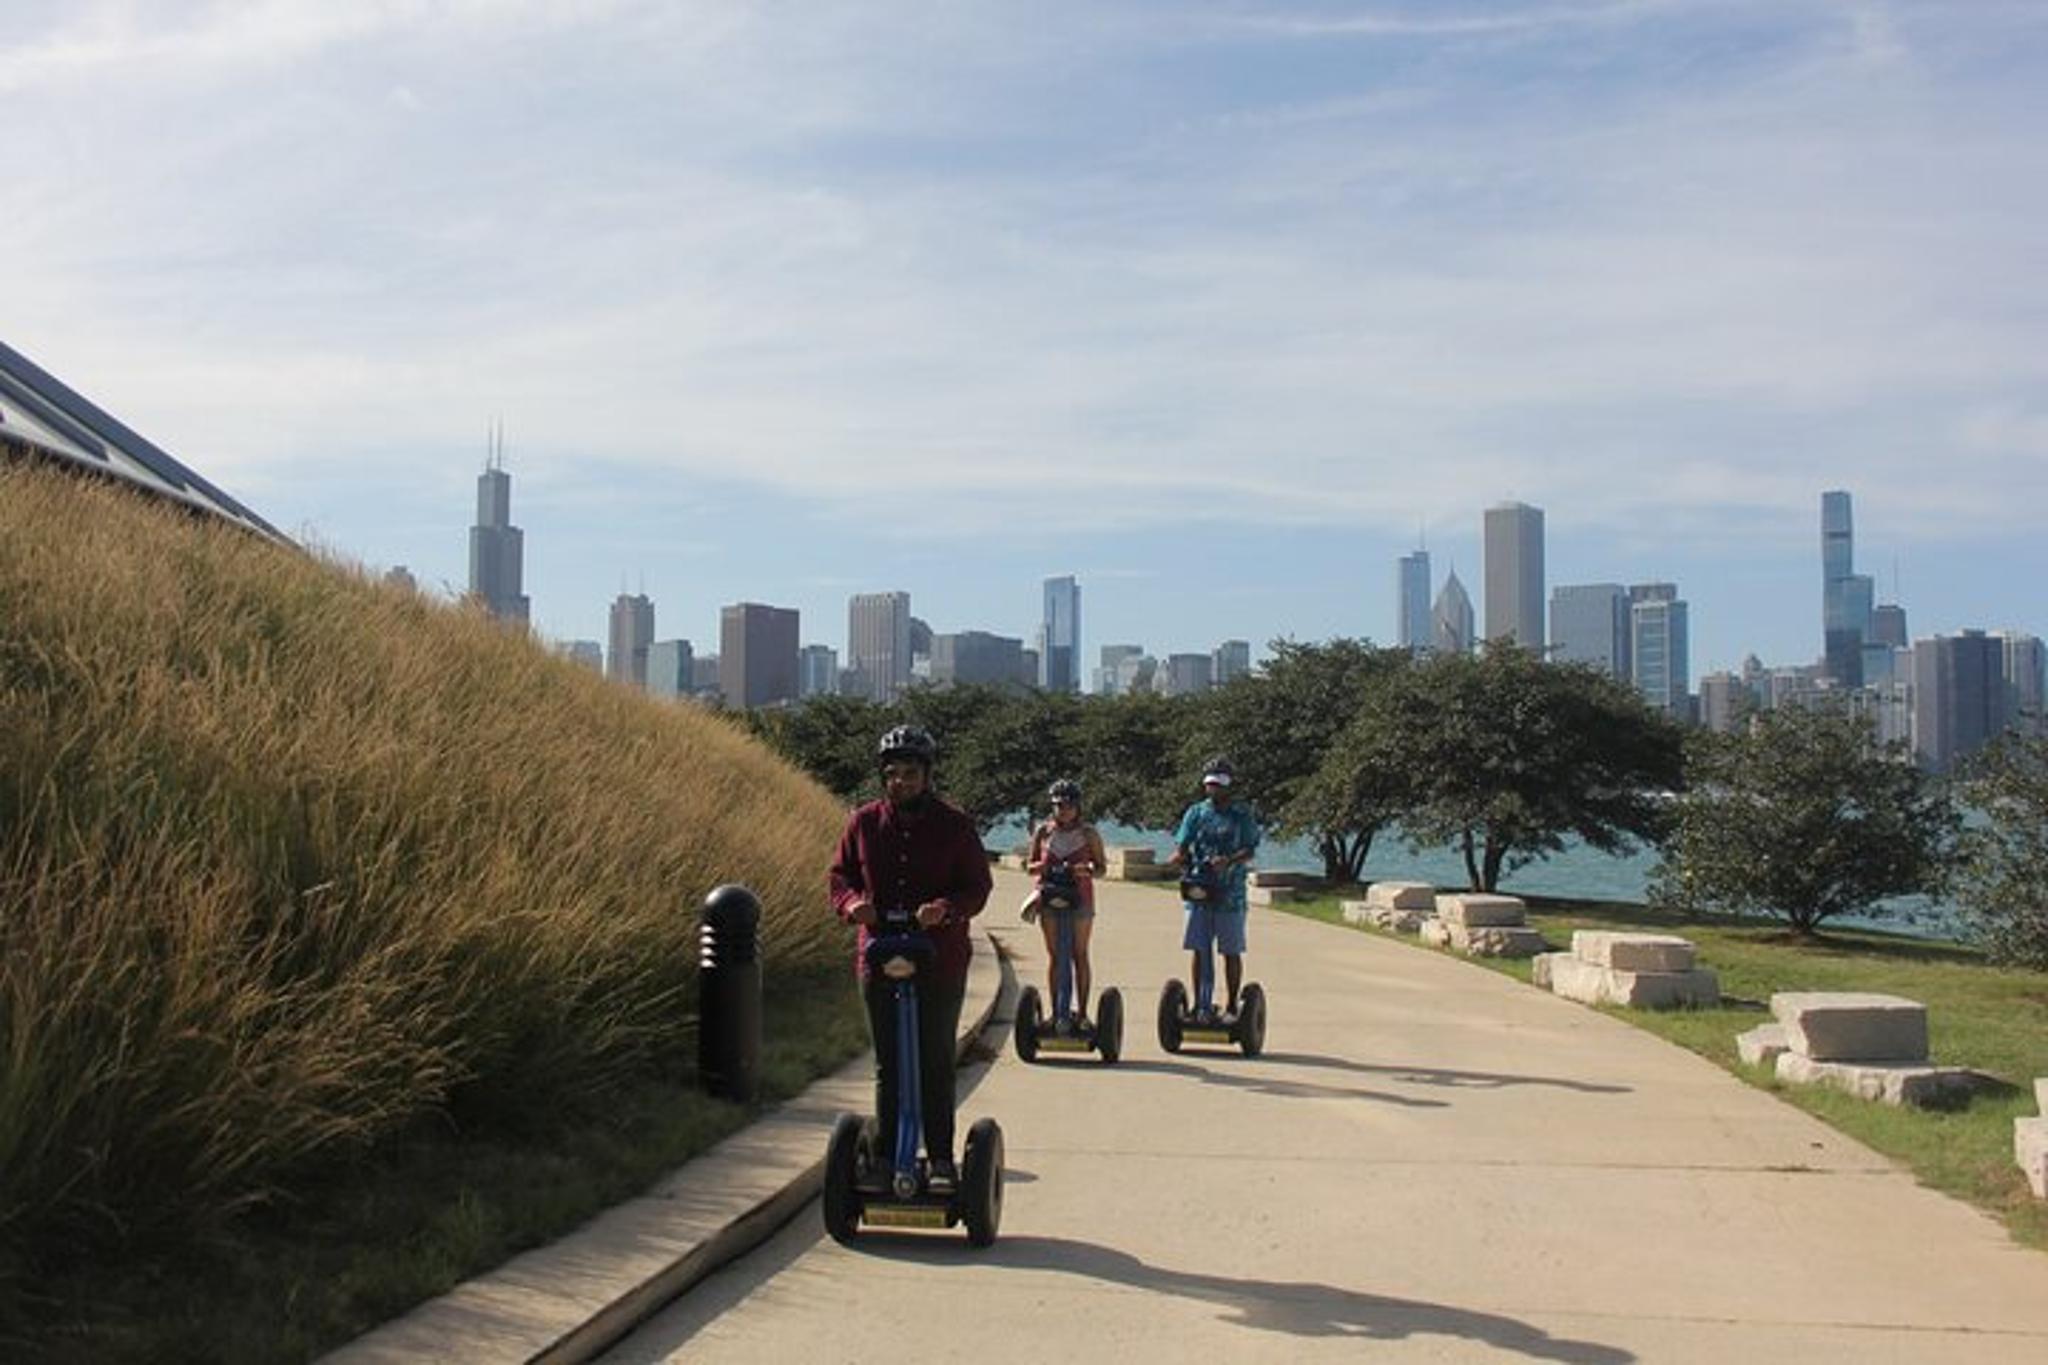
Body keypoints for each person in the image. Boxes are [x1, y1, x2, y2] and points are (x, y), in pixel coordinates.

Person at [828, 724, 993, 1186]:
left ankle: (940, 1159)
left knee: (935, 1060)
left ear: (927, 775)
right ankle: (883, 1159)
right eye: (893, 773)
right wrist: (851, 905)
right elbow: (839, 878)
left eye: (911, 773)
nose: (901, 781)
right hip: (878, 956)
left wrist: (946, 909)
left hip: (938, 959)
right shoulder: (862, 823)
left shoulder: (955, 825)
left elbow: (977, 887)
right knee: (889, 1065)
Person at [1165, 757, 1260, 1023]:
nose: (1214, 790)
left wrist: (1228, 860)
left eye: (1219, 785)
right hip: (1199, 887)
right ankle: (1200, 1005)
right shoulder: (1196, 812)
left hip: (1230, 893)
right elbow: (1183, 845)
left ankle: (1231, 1005)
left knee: (1230, 950)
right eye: (1210, 785)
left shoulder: (1241, 814)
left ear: (1228, 785)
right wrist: (1178, 857)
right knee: (1199, 947)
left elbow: (1250, 849)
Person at [1025, 778, 1107, 1032]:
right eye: (1059, 805)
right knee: (1055, 956)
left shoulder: (1088, 833)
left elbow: (1102, 868)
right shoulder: (1043, 832)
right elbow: (1029, 866)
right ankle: (1055, 1013)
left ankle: (1082, 1015)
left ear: (1078, 806)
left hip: (1080, 899)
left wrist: (1086, 870)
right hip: (1049, 898)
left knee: (1078, 954)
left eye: (1069, 805)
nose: (1064, 810)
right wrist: (1043, 867)